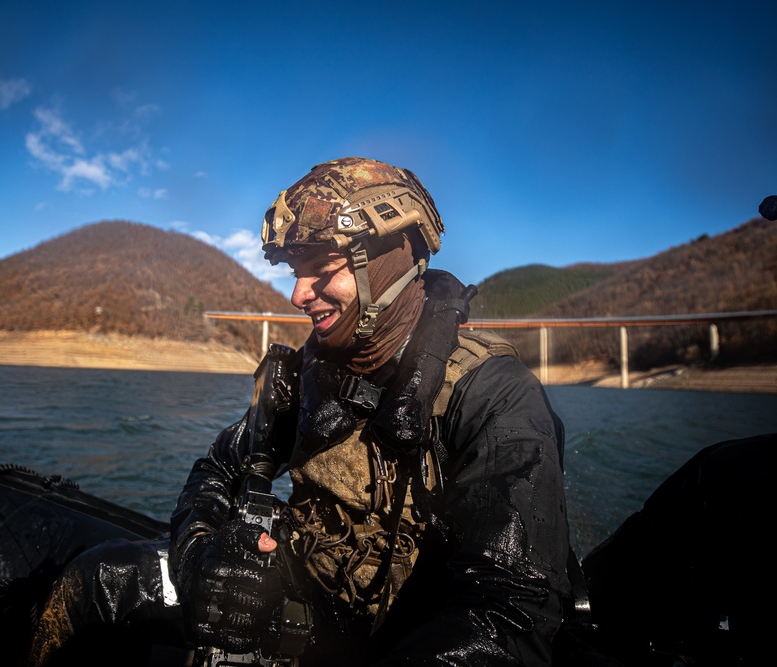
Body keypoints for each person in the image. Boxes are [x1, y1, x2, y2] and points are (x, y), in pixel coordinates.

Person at [29, 157, 575, 666]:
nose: (297, 294)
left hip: (410, 636)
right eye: (294, 269)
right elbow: (218, 469)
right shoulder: (310, 376)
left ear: (388, 262)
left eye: (321, 268)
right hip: (303, 598)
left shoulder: (496, 397)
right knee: (96, 580)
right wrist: (201, 558)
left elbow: (511, 608)